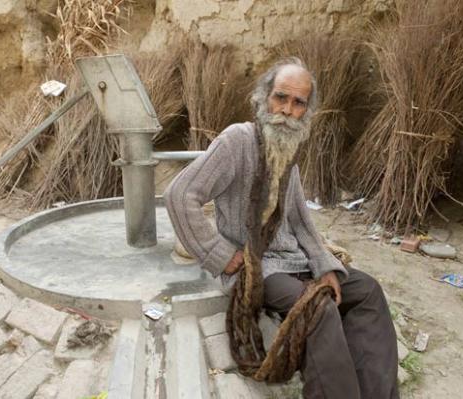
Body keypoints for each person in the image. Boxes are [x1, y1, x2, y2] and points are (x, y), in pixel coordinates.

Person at [164, 58, 399, 399]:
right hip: (257, 266)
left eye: (298, 103)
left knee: (366, 292)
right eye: (280, 97)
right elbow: (180, 194)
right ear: (263, 98)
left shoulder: (289, 148)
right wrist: (221, 255)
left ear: (307, 111)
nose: (287, 110)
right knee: (317, 308)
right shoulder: (237, 141)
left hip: (293, 261)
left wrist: (325, 266)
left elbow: (301, 222)